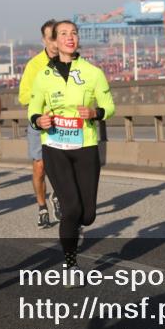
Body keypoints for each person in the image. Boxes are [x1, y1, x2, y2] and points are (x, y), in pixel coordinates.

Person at [28, 21, 113, 282]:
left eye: (74, 33)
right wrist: (38, 120)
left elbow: (109, 105)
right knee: (72, 208)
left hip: (85, 146)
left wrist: (95, 113)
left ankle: (74, 222)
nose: (70, 37)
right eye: (63, 34)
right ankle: (70, 265)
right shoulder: (43, 76)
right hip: (55, 147)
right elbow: (33, 109)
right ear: (54, 41)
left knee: (87, 215)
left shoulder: (93, 72)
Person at [18, 19, 59, 228]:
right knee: (40, 167)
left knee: (62, 166)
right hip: (39, 122)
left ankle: (58, 196)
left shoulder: (71, 61)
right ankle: (42, 206)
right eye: (51, 37)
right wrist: (42, 100)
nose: (55, 42)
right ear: (44, 40)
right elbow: (23, 96)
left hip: (62, 123)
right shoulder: (34, 65)